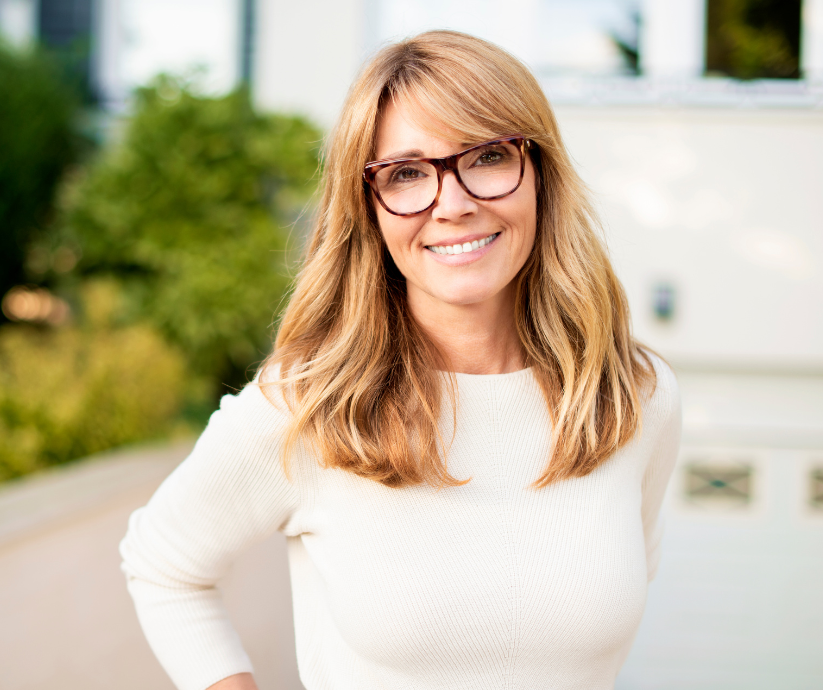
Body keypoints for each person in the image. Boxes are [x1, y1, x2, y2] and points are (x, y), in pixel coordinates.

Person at [120, 30, 681, 690]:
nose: (453, 203)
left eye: (488, 156)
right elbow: (162, 564)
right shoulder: (310, 406)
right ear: (368, 208)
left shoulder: (632, 398)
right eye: (406, 173)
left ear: (540, 175)